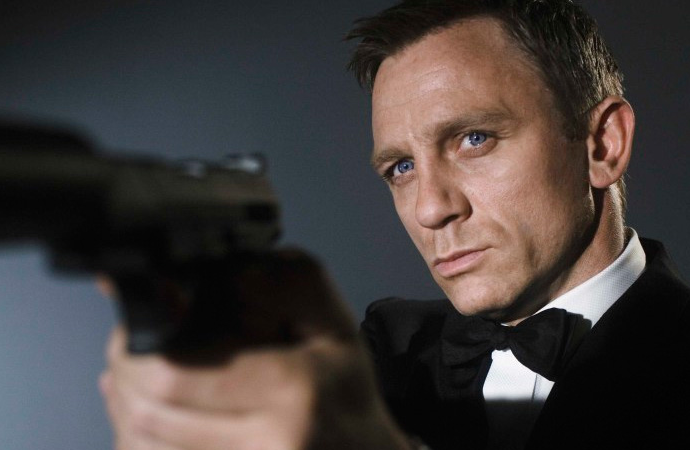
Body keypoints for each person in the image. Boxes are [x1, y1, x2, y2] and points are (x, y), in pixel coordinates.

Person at [99, 1, 690, 449]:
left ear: (603, 144)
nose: (431, 209)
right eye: (401, 168)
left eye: (474, 139)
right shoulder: (386, 351)